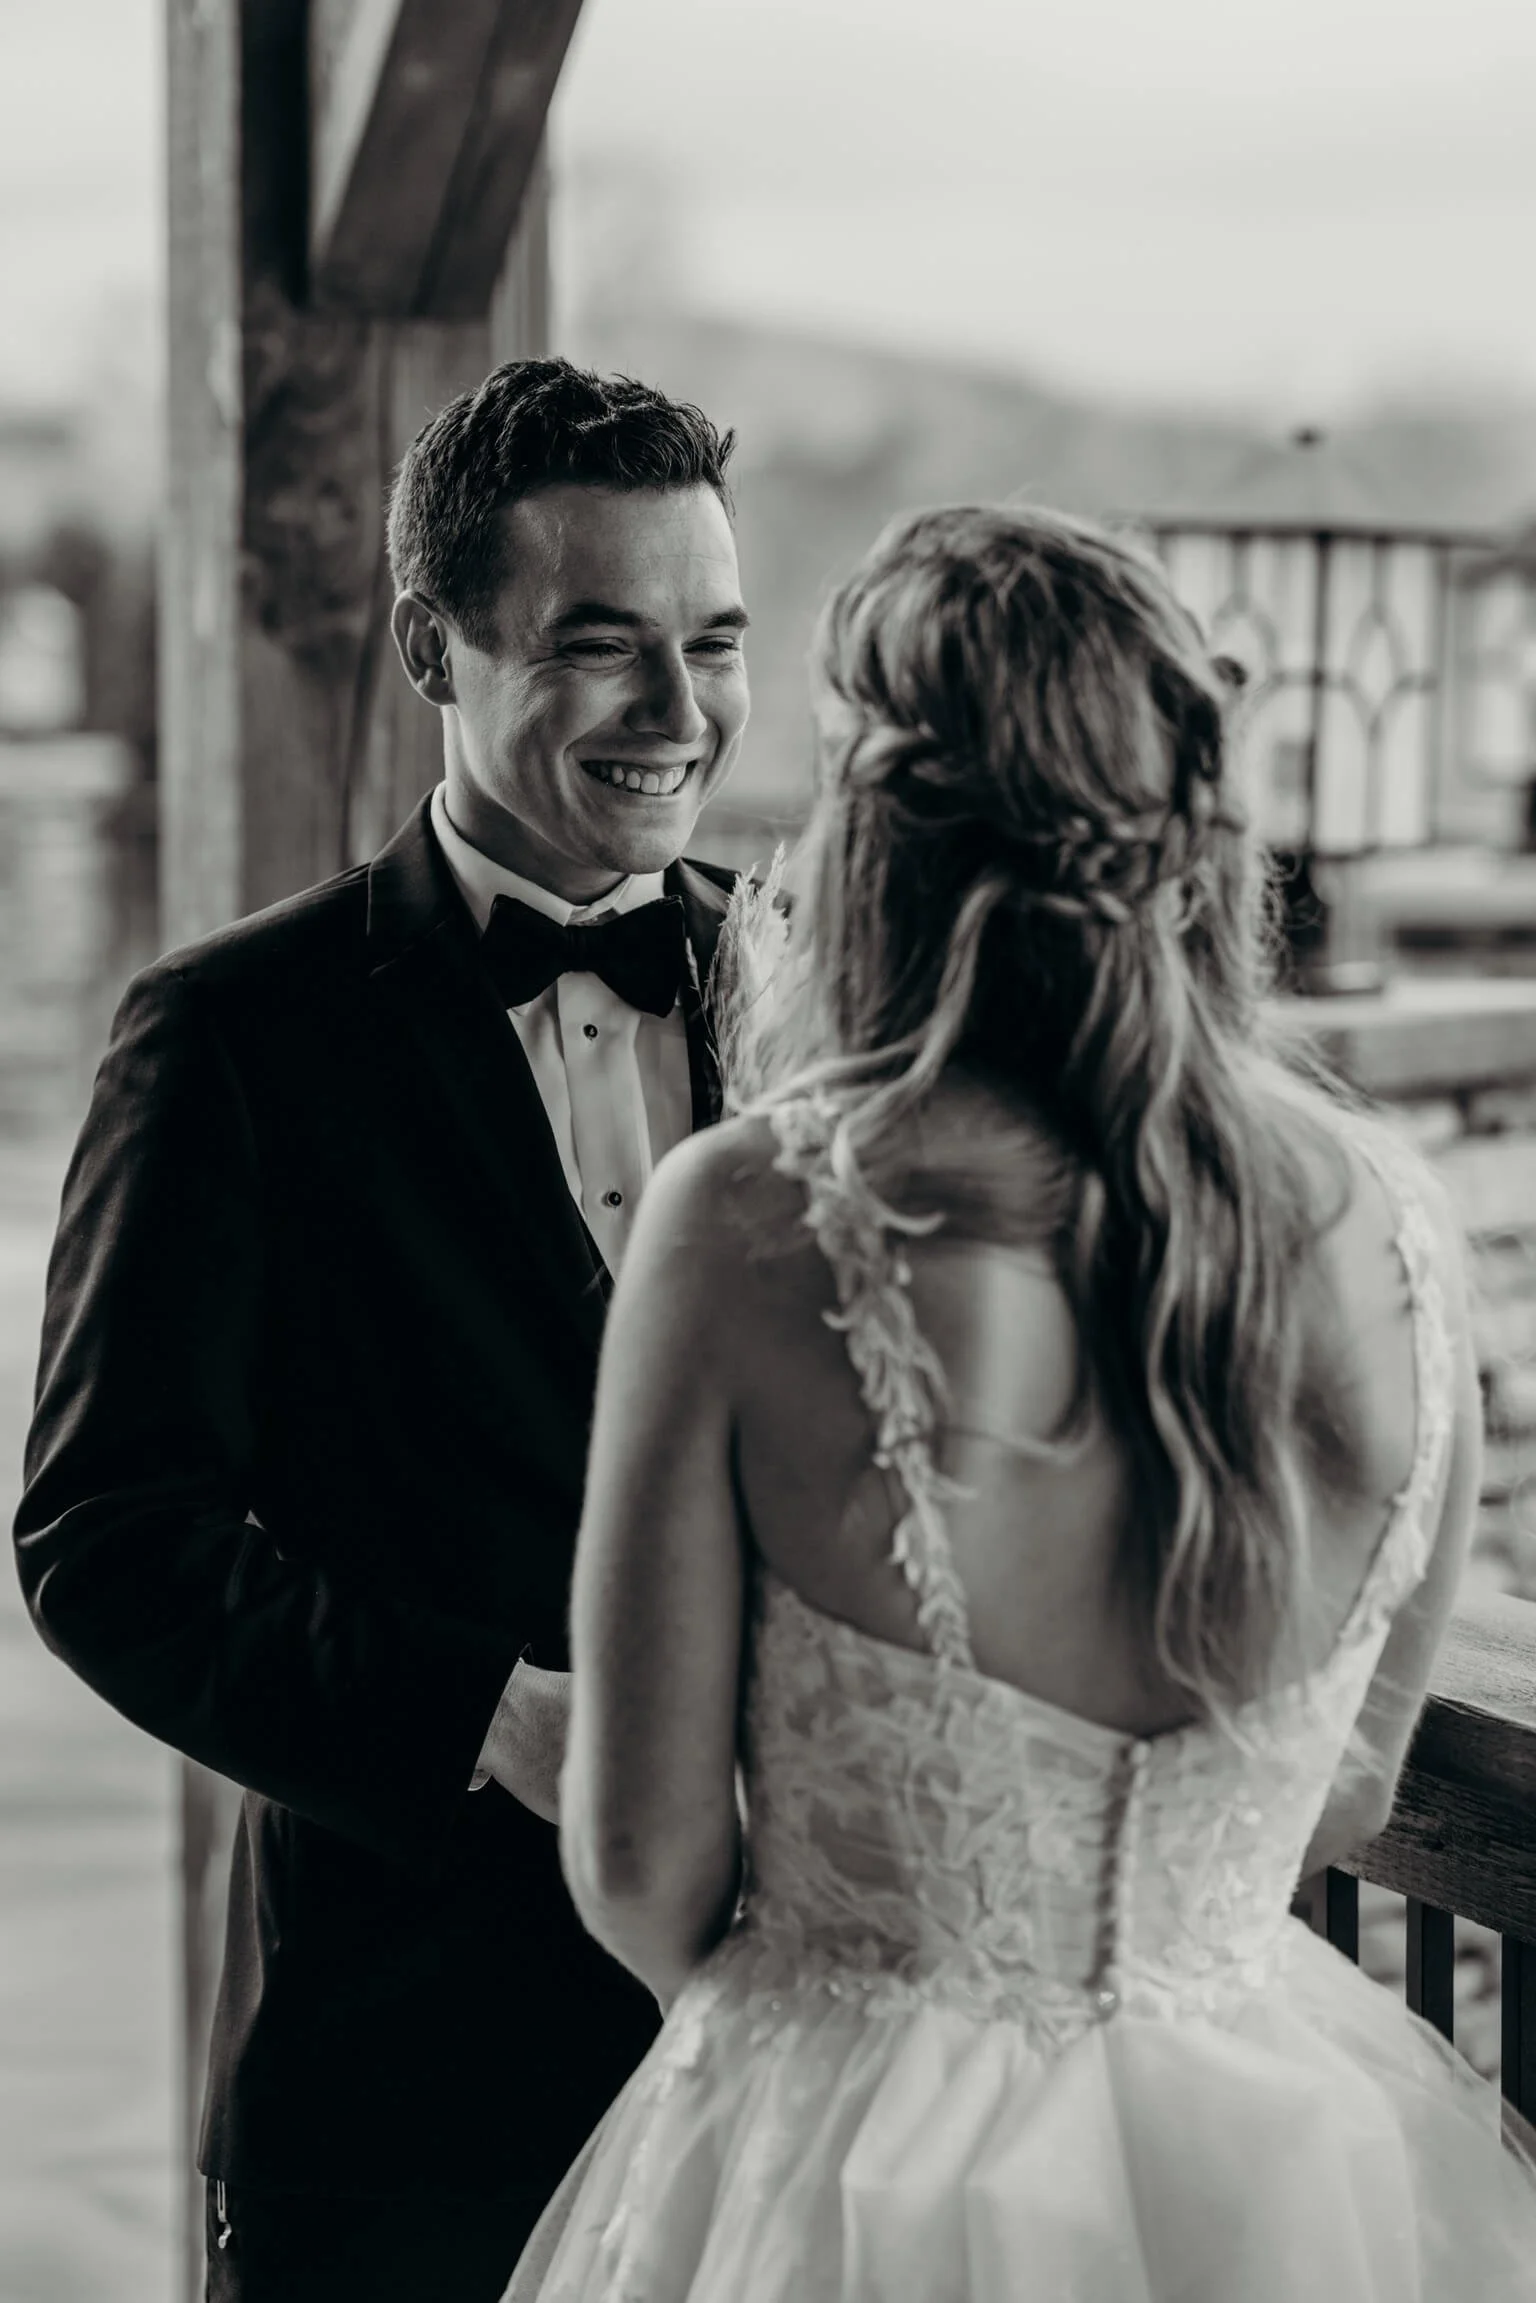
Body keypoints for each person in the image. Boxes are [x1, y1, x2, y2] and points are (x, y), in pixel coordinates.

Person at [506, 503, 1536, 2300]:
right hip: (1283, 2162)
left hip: (847, 2159)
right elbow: (1354, 1786)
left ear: (874, 825)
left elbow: (644, 1862)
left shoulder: (752, 1217)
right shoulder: (1397, 1225)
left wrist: (834, 2007)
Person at [13, 358, 751, 2302]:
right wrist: (492, 1719)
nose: (680, 711)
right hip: (409, 2069)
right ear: (435, 647)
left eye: (713, 640)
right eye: (601, 642)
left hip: (788, 2059)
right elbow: (107, 1540)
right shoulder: (232, 1036)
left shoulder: (819, 984)